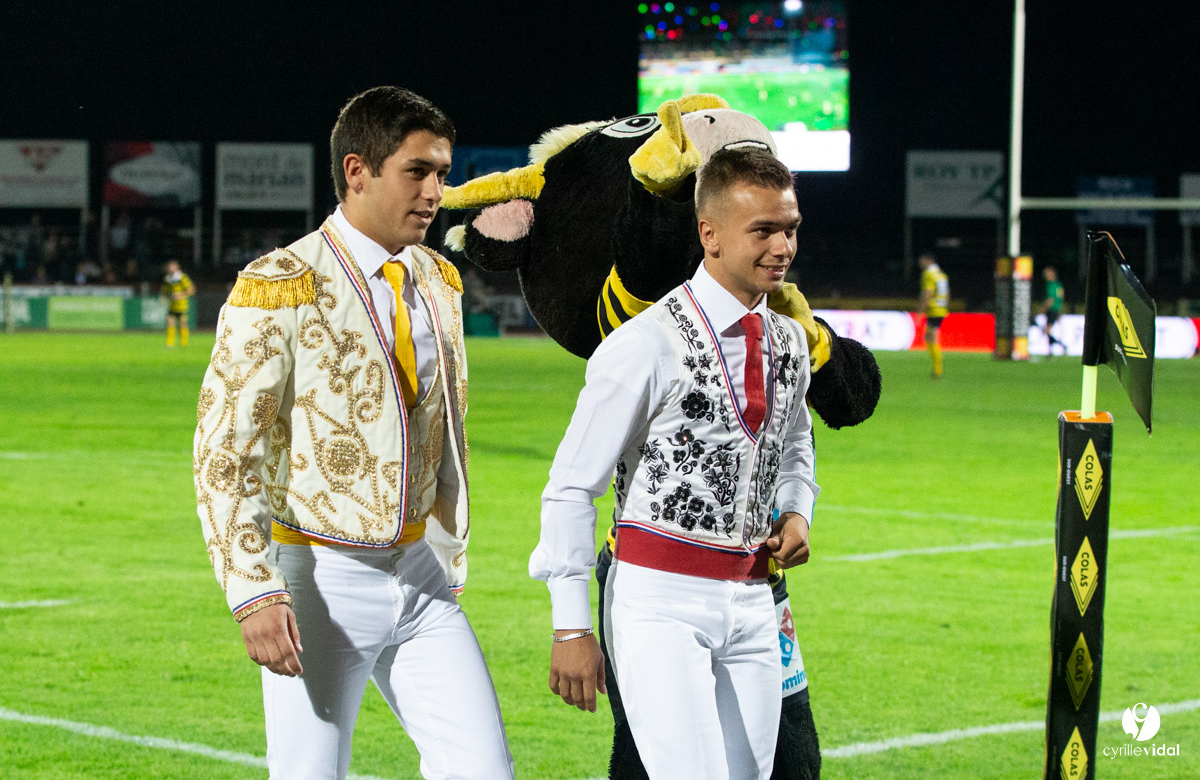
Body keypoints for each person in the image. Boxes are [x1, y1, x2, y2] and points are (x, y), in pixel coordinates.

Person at [193, 86, 513, 780]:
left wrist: (445, 550)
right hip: (318, 579)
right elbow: (227, 449)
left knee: (484, 771)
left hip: (420, 575)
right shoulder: (282, 282)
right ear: (357, 171)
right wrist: (253, 588)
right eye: (417, 171)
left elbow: (443, 432)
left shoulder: (436, 280)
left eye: (442, 173)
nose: (435, 192)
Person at [531, 147, 818, 780]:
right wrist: (570, 627)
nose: (783, 247)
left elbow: (795, 441)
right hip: (658, 602)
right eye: (763, 231)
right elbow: (570, 488)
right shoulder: (644, 344)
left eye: (790, 229)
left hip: (755, 601)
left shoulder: (790, 340)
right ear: (709, 234)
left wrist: (798, 508)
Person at [918, 252, 950, 378]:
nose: (920, 263)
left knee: (932, 337)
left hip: (933, 309)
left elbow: (928, 292)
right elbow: (948, 292)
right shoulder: (941, 274)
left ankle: (938, 369)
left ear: (928, 260)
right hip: (941, 308)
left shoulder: (928, 274)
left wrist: (921, 310)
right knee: (928, 337)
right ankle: (937, 367)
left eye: (922, 260)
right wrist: (945, 306)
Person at [159, 259, 195, 346]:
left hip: (182, 305)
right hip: (172, 305)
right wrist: (163, 296)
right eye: (169, 266)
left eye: (172, 266)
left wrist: (180, 295)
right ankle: (170, 342)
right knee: (170, 322)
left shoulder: (182, 278)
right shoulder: (167, 279)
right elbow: (164, 290)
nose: (170, 268)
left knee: (182, 324)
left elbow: (191, 290)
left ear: (177, 267)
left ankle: (183, 342)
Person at [1038, 265, 1066, 354]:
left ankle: (1061, 345)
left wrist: (1043, 308)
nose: (1045, 276)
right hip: (1056, 309)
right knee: (1047, 330)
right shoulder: (1058, 284)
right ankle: (1050, 350)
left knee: (1047, 330)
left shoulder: (1051, 285)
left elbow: (1051, 299)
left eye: (1047, 274)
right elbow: (1061, 297)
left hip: (1052, 310)